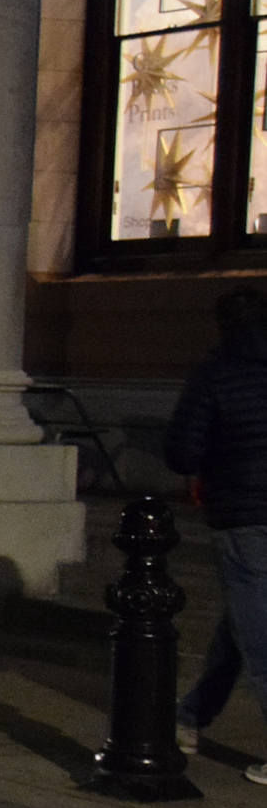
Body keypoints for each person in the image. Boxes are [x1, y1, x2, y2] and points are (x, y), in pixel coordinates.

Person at [168, 285, 267, 782]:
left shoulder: (215, 373)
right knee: (241, 623)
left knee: (257, 633)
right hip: (247, 513)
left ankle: (188, 718)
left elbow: (182, 450)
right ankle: (189, 716)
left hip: (243, 514)